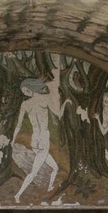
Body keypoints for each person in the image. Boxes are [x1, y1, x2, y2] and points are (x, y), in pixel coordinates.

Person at [11, 67, 70, 203]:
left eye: (25, 90)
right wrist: (65, 103)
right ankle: (18, 195)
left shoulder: (25, 104)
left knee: (54, 168)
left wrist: (13, 139)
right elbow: (58, 114)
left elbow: (19, 124)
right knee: (34, 171)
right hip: (42, 139)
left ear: (30, 88)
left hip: (36, 139)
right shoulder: (45, 99)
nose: (24, 93)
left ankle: (50, 187)